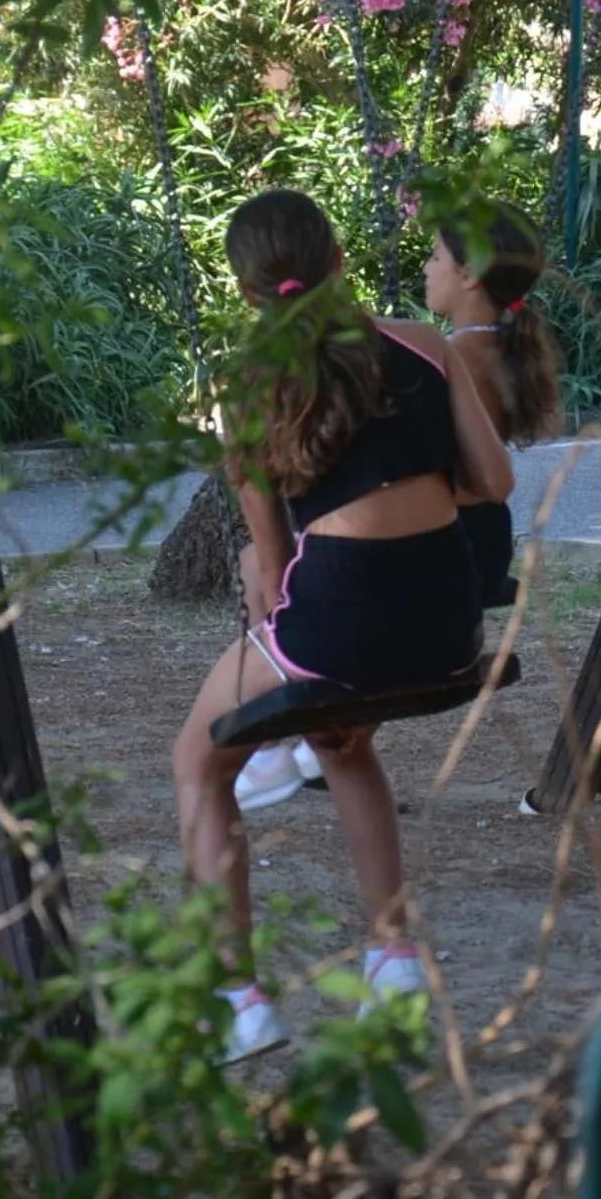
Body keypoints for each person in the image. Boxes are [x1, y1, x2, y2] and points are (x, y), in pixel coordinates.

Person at [172, 188, 514, 1063]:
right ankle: (394, 958)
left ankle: (237, 998)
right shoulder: (424, 344)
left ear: (249, 290)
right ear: (337, 259)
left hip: (337, 615)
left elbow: (274, 555)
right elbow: (495, 482)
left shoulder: (248, 383)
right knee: (345, 744)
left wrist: (288, 641)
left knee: (198, 762)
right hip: (448, 617)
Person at [422, 202, 562, 619]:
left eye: (435, 257)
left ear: (469, 273)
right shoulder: (501, 346)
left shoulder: (454, 357)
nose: (426, 269)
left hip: (453, 539)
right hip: (488, 537)